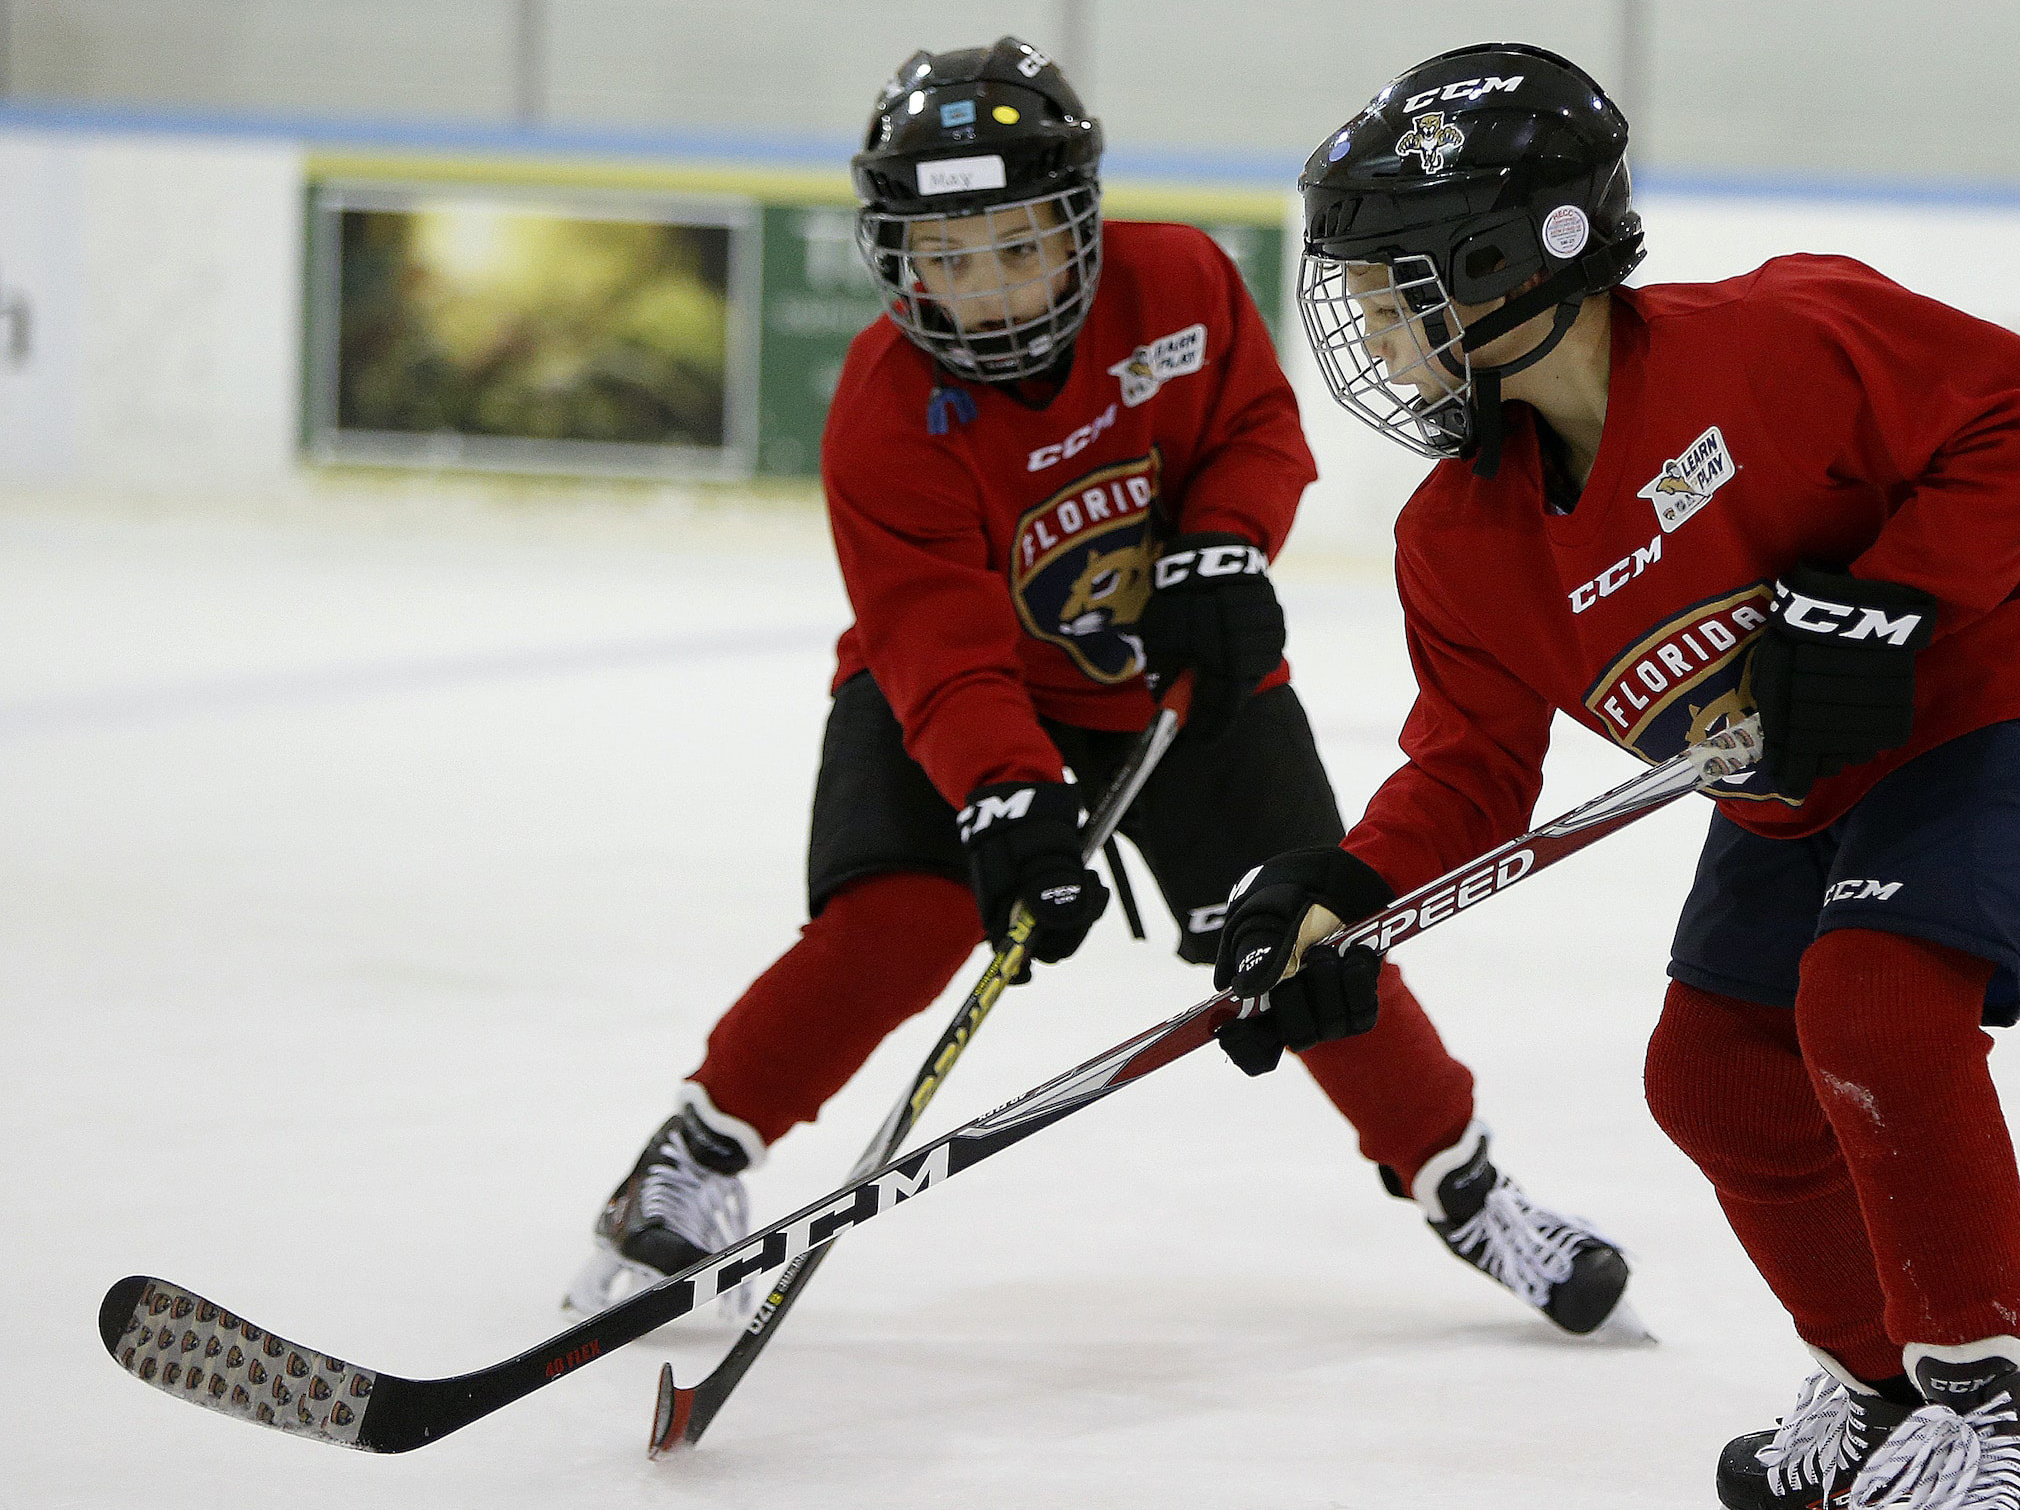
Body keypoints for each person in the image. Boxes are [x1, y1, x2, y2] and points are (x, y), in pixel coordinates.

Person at [564, 36, 1633, 1339]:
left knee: (1309, 935)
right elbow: (933, 635)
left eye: (1018, 246)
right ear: (895, 256)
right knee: (898, 919)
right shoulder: (885, 408)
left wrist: (1227, 544)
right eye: (948, 260)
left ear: (1078, 227)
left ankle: (1465, 1185)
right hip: (969, 696)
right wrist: (1006, 798)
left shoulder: (1177, 278)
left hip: (1179, 678)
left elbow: (1255, 426)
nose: (990, 291)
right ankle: (701, 1146)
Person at [1216, 42, 2020, 1510]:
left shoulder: (1774, 338)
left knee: (1872, 1004)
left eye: (1399, 295)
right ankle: (1882, 1386)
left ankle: (1988, 1411)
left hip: (1997, 698)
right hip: (1795, 783)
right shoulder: (1456, 538)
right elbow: (1467, 768)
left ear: (1515, 257)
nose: (1375, 341)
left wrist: (1890, 594)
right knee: (1709, 1072)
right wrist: (1343, 893)